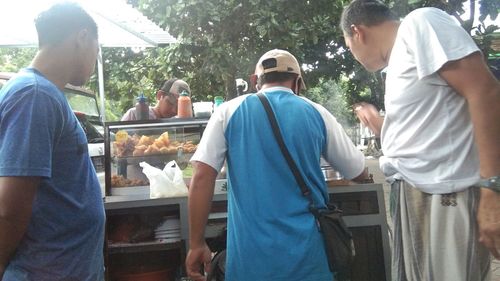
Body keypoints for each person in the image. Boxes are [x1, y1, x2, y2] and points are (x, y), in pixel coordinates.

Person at [340, 1, 500, 280]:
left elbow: (484, 92)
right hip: (417, 196)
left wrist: (492, 187)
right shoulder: (399, 61)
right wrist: (381, 125)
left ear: (357, 32)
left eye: (349, 48)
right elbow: (429, 126)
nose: (355, 57)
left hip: (447, 198)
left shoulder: (421, 23)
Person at [185, 49, 368, 281]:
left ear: (254, 81)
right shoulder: (317, 112)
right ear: (298, 82)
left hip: (250, 262)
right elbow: (358, 170)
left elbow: (201, 176)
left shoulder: (227, 112)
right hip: (308, 257)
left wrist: (196, 244)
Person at [0, 3, 105, 280]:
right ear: (82, 38)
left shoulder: (43, 93)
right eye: (97, 50)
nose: (94, 63)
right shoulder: (34, 95)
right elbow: (10, 208)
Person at [121, 78, 190, 120]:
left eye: (179, 107)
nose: (174, 110)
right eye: (170, 103)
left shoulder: (176, 123)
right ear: (160, 95)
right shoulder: (134, 114)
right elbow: (118, 138)